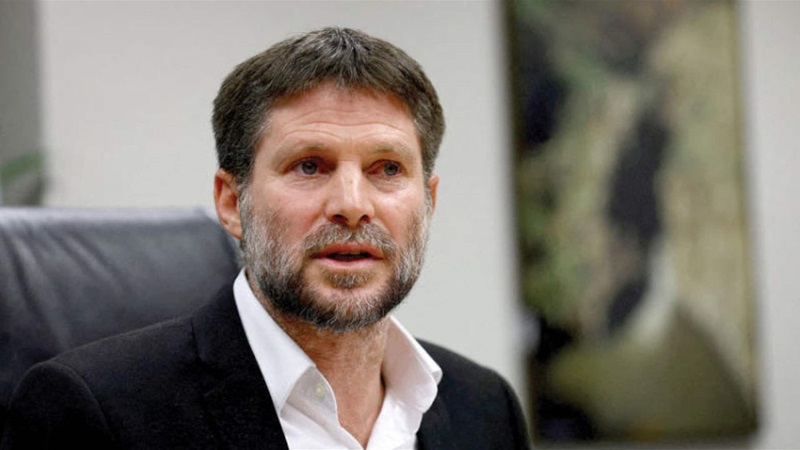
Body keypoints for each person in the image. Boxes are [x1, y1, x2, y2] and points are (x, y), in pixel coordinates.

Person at [2, 27, 529, 449]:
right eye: (309, 166)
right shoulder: (94, 410)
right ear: (232, 203)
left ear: (429, 201)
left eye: (387, 168)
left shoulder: (484, 407)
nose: (352, 204)